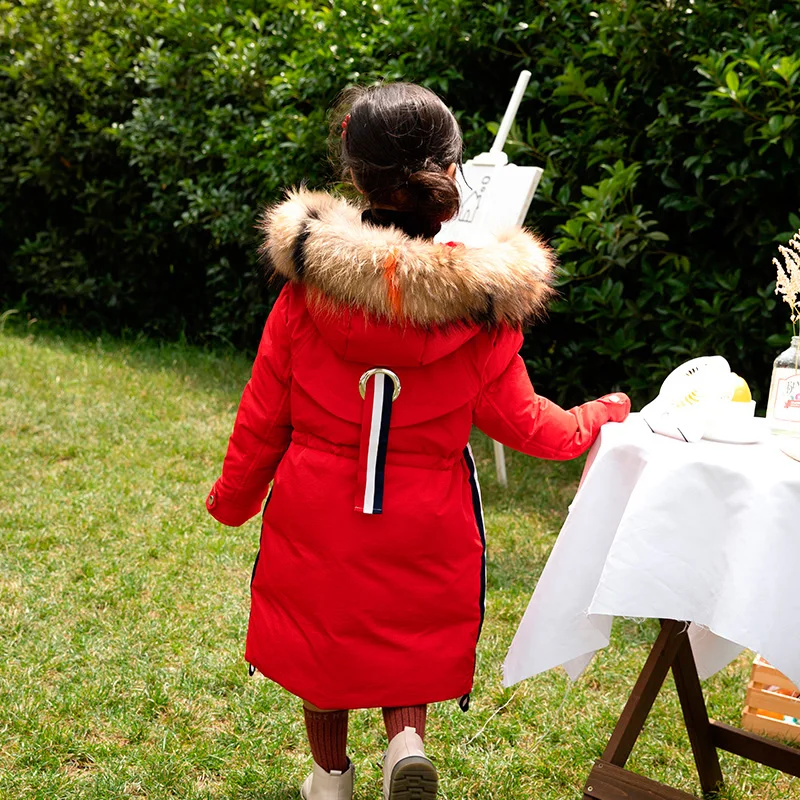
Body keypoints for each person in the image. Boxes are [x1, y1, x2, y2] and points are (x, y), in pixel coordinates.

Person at [205, 82, 630, 800]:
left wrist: (233, 497)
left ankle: (329, 778)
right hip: (426, 510)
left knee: (324, 641)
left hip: (319, 505)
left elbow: (263, 412)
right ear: (451, 172)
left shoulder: (305, 294)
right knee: (406, 630)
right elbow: (528, 423)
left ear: (350, 167)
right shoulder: (479, 311)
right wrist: (602, 414)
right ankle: (405, 740)